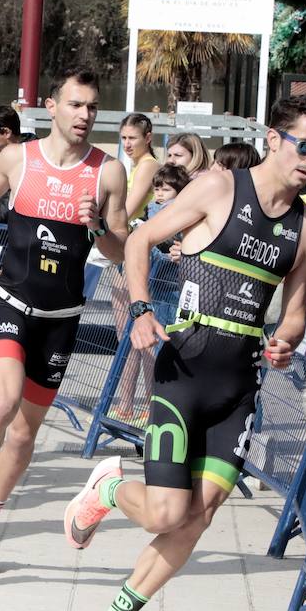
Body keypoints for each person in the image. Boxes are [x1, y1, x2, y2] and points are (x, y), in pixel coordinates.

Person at [63, 92, 306, 611]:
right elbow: (140, 237)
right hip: (182, 372)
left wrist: (285, 342)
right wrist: (140, 309)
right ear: (274, 139)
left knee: (200, 515)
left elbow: (295, 313)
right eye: (303, 145)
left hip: (238, 389)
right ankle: (111, 488)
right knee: (168, 512)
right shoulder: (219, 188)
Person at [0, 66, 130, 574]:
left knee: (25, 434)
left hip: (61, 317)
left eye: (92, 107)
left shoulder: (107, 171)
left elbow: (119, 248)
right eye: (75, 104)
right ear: (52, 106)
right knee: (1, 400)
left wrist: (95, 227)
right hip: (11, 302)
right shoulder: (19, 157)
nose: (85, 115)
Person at [111, 164, 190, 422]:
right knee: (152, 349)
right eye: (157, 189)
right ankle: (150, 405)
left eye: (165, 189)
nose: (159, 194)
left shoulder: (172, 211)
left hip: (169, 290)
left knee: (160, 349)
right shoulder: (153, 211)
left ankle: (157, 406)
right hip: (156, 287)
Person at [120, 114, 159, 226]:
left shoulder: (147, 165)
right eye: (124, 138)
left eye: (132, 138)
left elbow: (127, 211)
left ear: (147, 138)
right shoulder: (141, 165)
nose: (126, 144)